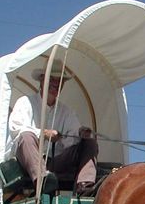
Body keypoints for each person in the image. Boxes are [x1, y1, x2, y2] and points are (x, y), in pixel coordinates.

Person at [7, 58, 98, 195]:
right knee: (26, 136)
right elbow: (16, 128)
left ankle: (84, 186)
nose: (56, 84)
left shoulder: (66, 112)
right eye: (52, 79)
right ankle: (42, 180)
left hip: (55, 162)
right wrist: (44, 133)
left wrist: (81, 134)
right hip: (28, 163)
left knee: (89, 142)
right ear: (42, 80)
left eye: (60, 81)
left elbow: (71, 139)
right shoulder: (25, 102)